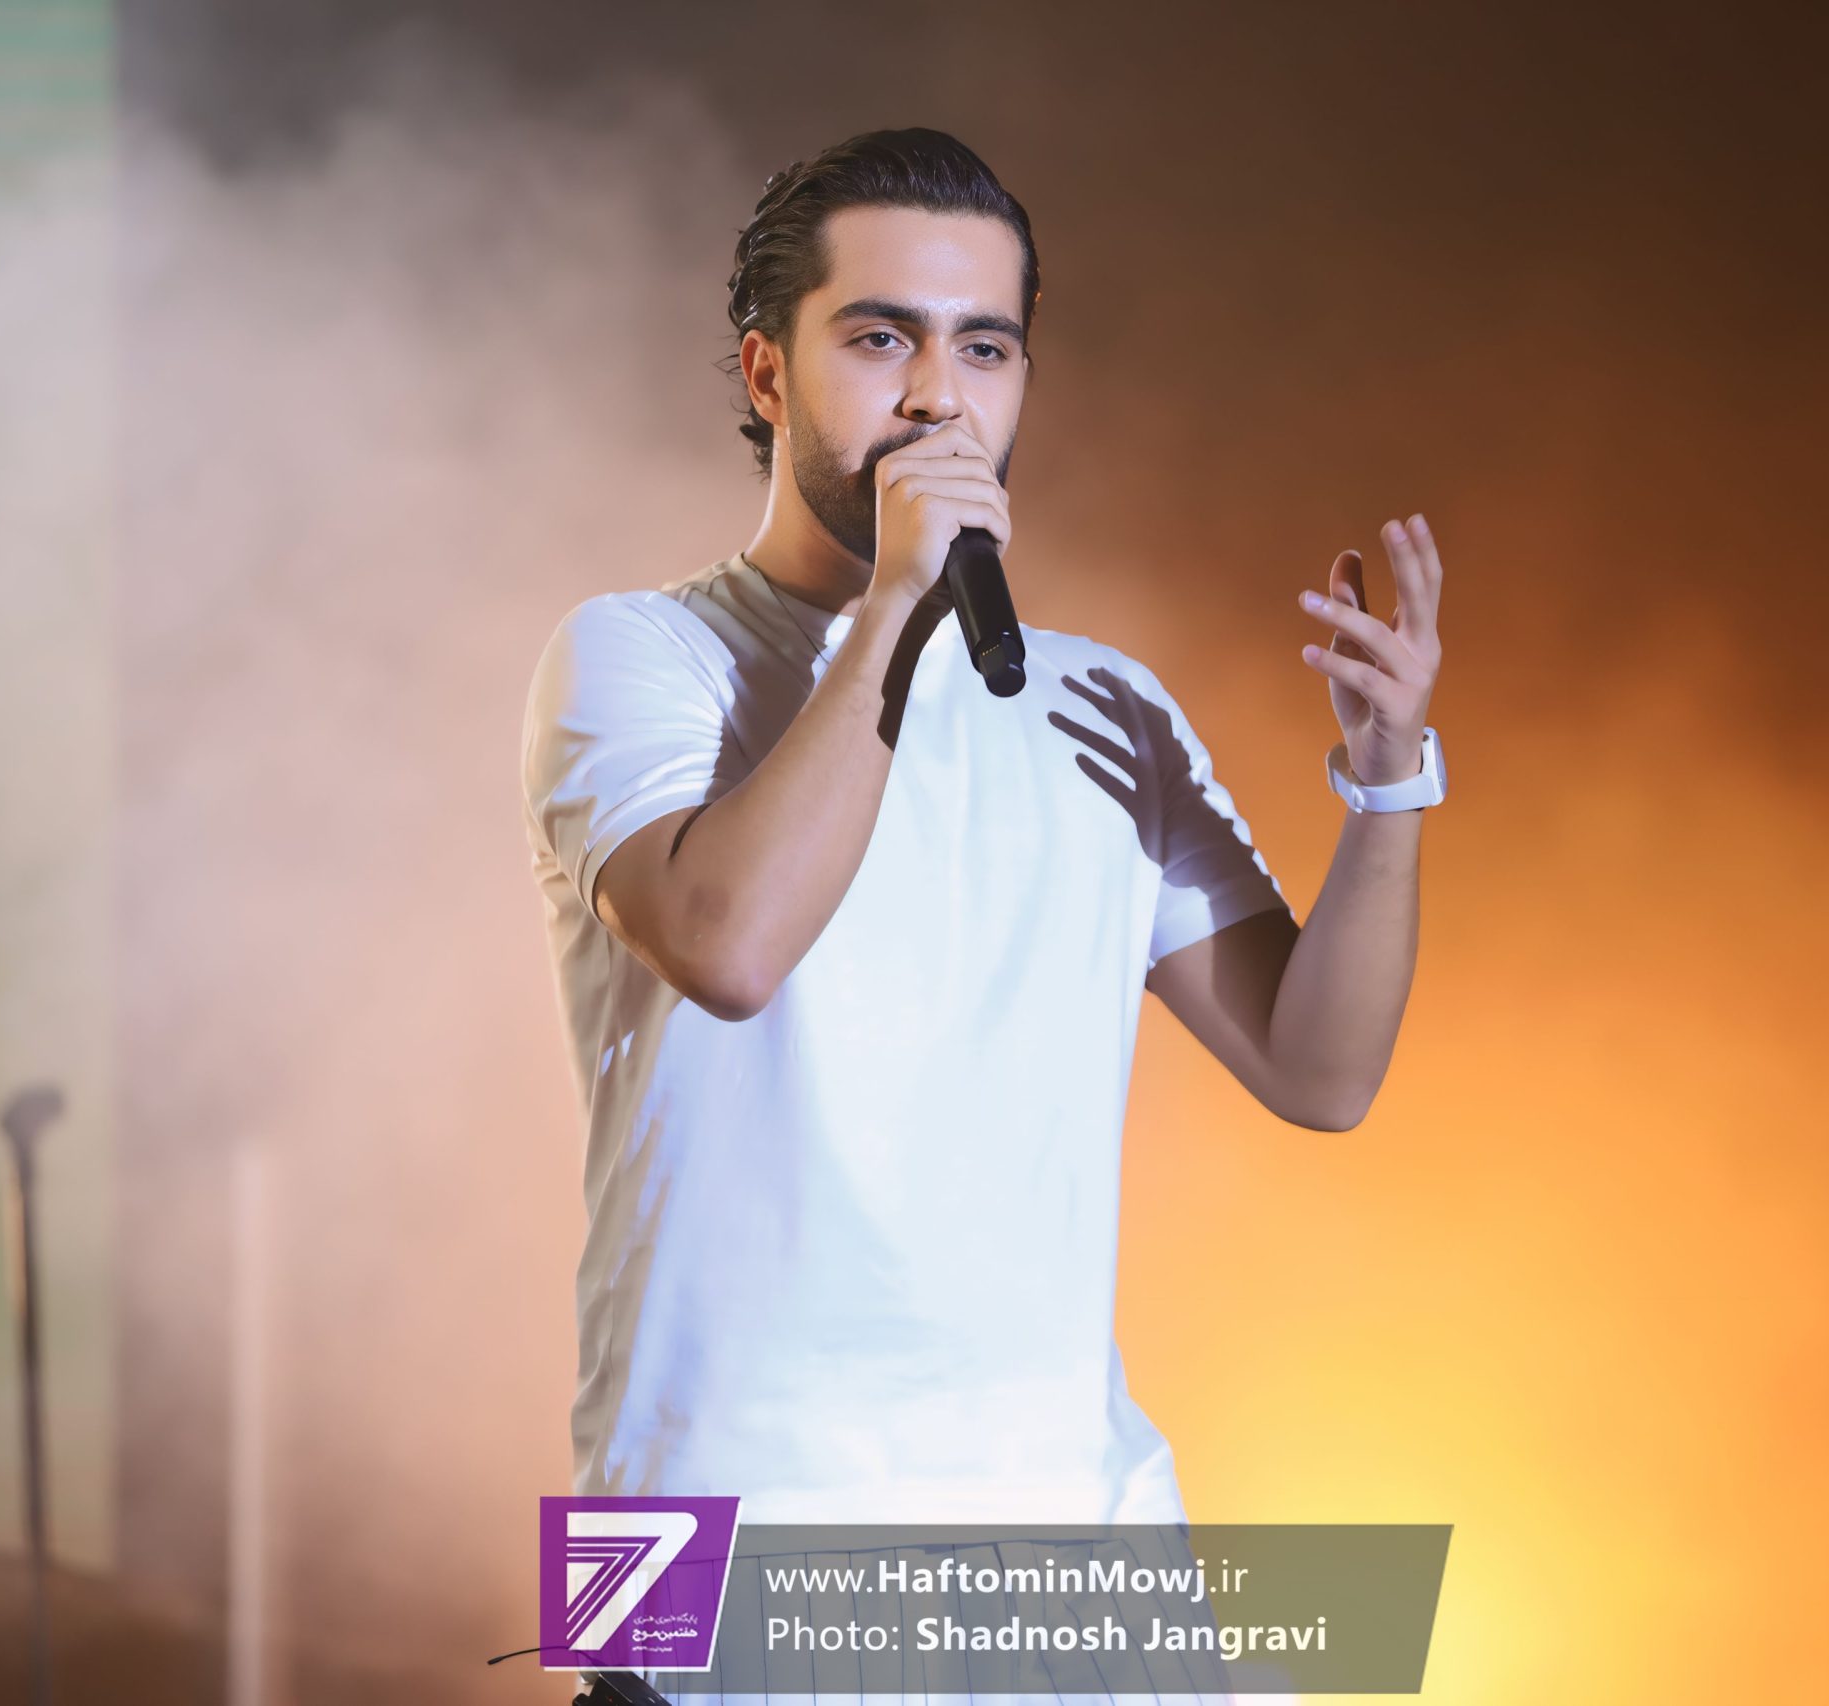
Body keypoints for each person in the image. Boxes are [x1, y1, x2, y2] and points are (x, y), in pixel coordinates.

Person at [518, 128, 1447, 1549]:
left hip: (1072, 1523)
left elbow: (1321, 1074)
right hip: (702, 1527)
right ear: (767, 373)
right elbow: (730, 947)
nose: (939, 397)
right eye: (880, 338)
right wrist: (898, 604)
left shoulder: (1103, 702)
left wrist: (1388, 786)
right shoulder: (636, 655)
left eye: (986, 348)